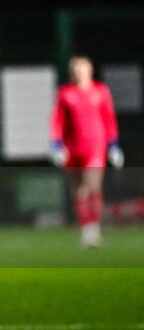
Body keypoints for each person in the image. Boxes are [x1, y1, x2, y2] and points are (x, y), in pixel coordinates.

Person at [50, 55, 123, 247]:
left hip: (95, 147)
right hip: (73, 148)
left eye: (83, 69)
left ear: (89, 70)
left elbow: (109, 119)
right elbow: (57, 121)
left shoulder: (101, 92)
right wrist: (56, 145)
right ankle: (85, 228)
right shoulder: (65, 93)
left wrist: (113, 144)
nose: (79, 73)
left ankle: (94, 228)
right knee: (79, 190)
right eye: (76, 69)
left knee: (93, 185)